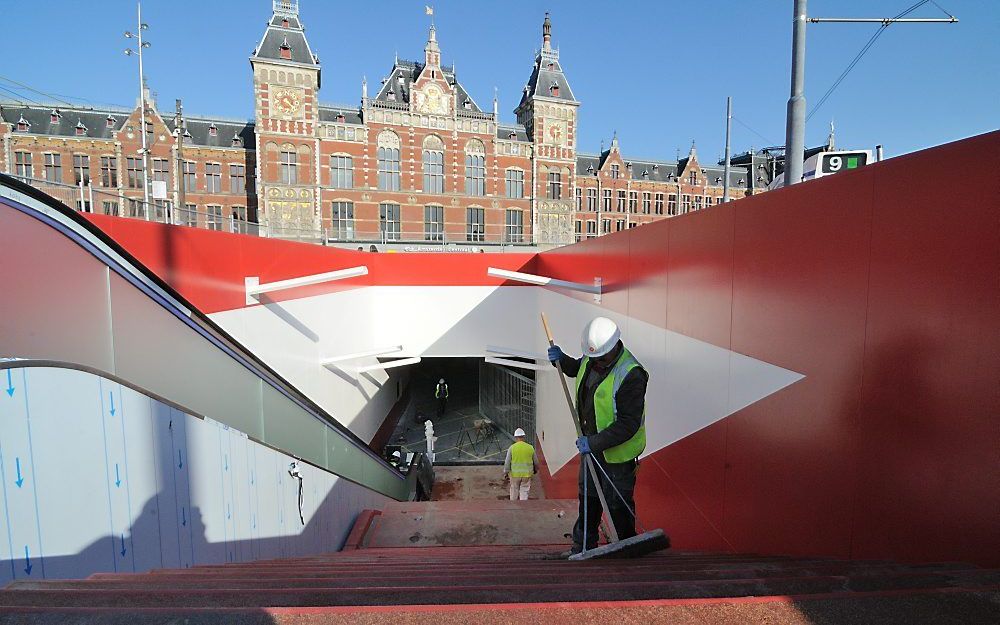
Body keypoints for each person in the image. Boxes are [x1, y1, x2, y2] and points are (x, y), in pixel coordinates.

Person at [547, 316, 648, 557]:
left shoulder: (631, 374)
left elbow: (628, 424)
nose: (594, 362)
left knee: (617, 505)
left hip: (617, 455)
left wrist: (593, 442)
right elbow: (578, 370)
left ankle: (627, 548)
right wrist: (562, 361)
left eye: (599, 358)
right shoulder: (594, 359)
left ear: (614, 347)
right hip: (591, 447)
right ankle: (583, 546)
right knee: (588, 499)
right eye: (591, 358)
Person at [503, 428, 538, 501]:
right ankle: (523, 508)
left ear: (516, 438)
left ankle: (513, 507)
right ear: (524, 437)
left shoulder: (512, 448)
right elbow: (536, 462)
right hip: (527, 475)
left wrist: (506, 472)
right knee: (524, 491)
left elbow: (507, 462)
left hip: (514, 475)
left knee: (514, 490)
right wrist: (535, 470)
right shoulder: (530, 447)